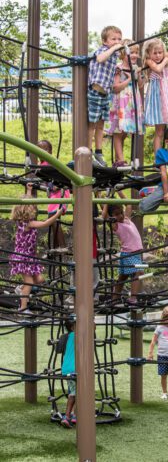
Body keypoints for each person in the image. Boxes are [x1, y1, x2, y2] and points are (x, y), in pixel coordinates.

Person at [10, 184, 63, 312]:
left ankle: (21, 289)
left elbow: (27, 201)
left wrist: (29, 190)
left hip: (29, 257)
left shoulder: (21, 221)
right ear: (28, 211)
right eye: (33, 208)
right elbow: (45, 223)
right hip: (24, 257)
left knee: (39, 279)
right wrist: (57, 214)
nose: (35, 209)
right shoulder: (29, 223)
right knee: (29, 283)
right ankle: (23, 307)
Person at [88, 25, 123, 167]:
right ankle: (88, 151)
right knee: (92, 124)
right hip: (95, 91)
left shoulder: (114, 55)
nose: (117, 41)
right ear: (105, 41)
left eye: (119, 39)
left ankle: (98, 151)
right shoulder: (102, 50)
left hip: (105, 94)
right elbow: (100, 59)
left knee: (101, 124)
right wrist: (114, 48)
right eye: (113, 39)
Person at [106, 39, 145, 164]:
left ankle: (119, 159)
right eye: (131, 52)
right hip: (121, 101)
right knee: (119, 131)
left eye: (136, 53)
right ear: (123, 53)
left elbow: (140, 85)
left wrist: (138, 74)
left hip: (132, 100)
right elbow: (116, 87)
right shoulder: (119, 68)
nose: (134, 55)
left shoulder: (135, 68)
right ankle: (121, 159)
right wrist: (129, 79)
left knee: (125, 132)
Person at [102, 191, 143, 304]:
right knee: (137, 272)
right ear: (111, 216)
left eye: (121, 212)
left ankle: (115, 298)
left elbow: (128, 204)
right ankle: (133, 298)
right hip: (129, 253)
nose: (120, 215)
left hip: (135, 253)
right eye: (116, 214)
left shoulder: (127, 219)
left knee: (123, 277)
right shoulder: (115, 225)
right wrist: (105, 199)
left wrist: (119, 190)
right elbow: (104, 216)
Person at [37, 139, 70, 250]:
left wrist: (54, 185)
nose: (42, 151)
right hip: (54, 195)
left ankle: (63, 247)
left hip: (60, 193)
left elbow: (61, 175)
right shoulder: (41, 164)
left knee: (53, 218)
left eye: (45, 149)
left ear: (50, 151)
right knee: (52, 219)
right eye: (39, 149)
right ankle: (55, 247)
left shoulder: (51, 162)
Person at [60, 318, 76, 428]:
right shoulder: (78, 335)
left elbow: (59, 350)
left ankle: (72, 415)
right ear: (73, 327)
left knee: (74, 391)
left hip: (66, 368)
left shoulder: (66, 336)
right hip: (75, 368)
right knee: (77, 393)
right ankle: (69, 416)